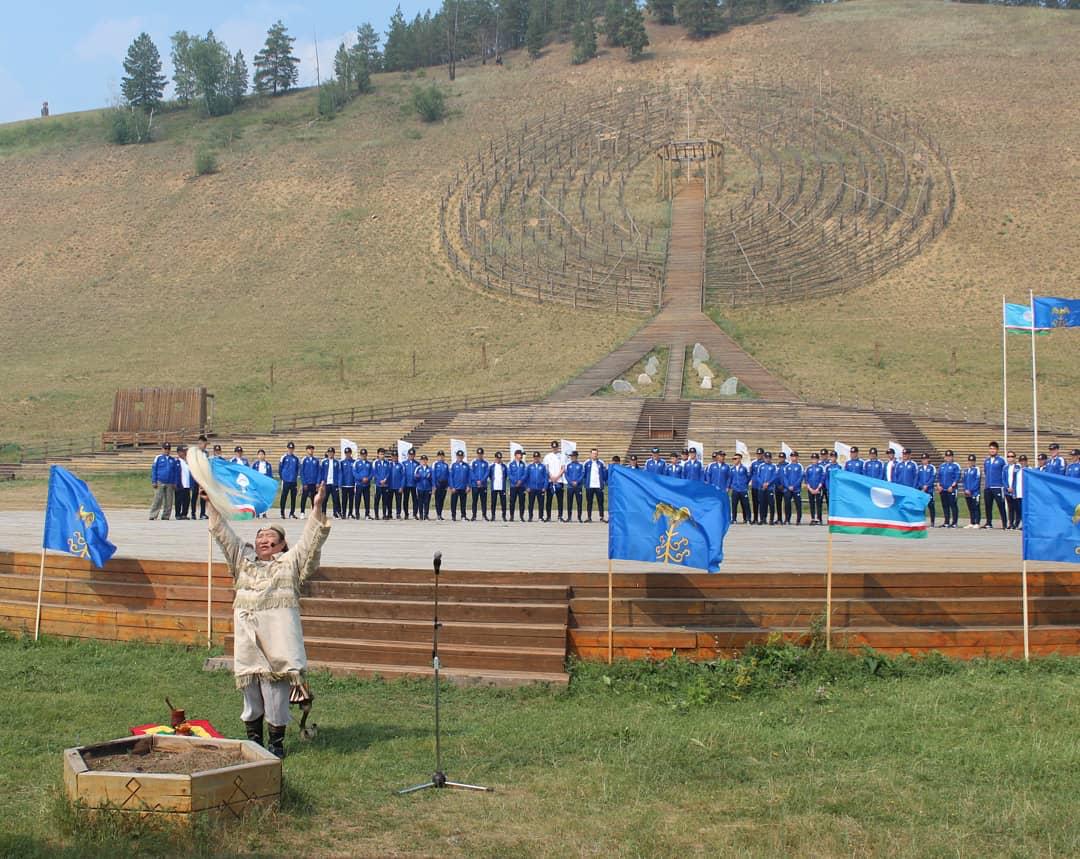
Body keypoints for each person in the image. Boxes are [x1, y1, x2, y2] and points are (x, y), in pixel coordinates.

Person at [207, 481, 330, 759]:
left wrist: (317, 507)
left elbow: (311, 541)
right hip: (248, 641)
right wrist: (211, 503)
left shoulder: (291, 564)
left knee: (275, 696)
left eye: (271, 536)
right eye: (260, 535)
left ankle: (275, 744)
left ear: (283, 544)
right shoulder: (242, 561)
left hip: (278, 642)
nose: (264, 539)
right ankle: (254, 742)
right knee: (250, 694)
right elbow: (223, 534)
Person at [982, 441, 1007, 530]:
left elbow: (1005, 472)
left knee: (1001, 505)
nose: (992, 450)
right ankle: (989, 522)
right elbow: (985, 472)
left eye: (994, 449)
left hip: (997, 486)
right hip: (988, 486)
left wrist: (1003, 484)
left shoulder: (1001, 460)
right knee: (988, 505)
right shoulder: (987, 461)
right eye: (990, 448)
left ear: (997, 450)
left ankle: (1004, 523)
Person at [149, 442, 176, 520]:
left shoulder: (172, 459)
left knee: (169, 500)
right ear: (162, 449)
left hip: (169, 482)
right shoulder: (158, 458)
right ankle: (153, 515)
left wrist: (174, 482)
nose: (167, 450)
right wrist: (154, 481)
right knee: (158, 498)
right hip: (160, 481)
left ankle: (166, 515)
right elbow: (154, 470)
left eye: (168, 449)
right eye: (165, 449)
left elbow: (175, 472)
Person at [544, 441, 567, 522]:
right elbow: (546, 468)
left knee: (560, 500)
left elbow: (563, 468)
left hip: (559, 480)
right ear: (551, 447)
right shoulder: (547, 456)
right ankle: (548, 516)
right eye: (553, 447)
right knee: (549, 500)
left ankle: (560, 516)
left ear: (558, 447)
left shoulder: (562, 456)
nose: (555, 448)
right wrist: (551, 477)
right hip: (550, 480)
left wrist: (557, 477)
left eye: (556, 447)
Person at [937, 450, 960, 528]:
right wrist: (938, 485)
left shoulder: (955, 466)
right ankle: (946, 522)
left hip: (951, 489)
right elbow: (939, 477)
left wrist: (952, 486)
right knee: (945, 505)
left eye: (950, 456)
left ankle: (954, 522)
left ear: (952, 457)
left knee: (953, 505)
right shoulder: (942, 466)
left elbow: (957, 477)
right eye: (947, 456)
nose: (948, 458)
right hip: (943, 489)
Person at [279, 442, 300, 519]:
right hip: (286, 480)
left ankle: (292, 513)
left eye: (292, 448)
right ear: (287, 448)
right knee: (284, 496)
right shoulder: (283, 457)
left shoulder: (296, 458)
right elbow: (280, 469)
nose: (290, 450)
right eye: (289, 448)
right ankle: (282, 512)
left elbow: (297, 469)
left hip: (293, 481)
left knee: (293, 497)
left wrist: (296, 478)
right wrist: (282, 478)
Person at [916, 454, 938, 528]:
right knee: (922, 506)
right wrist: (921, 486)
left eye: (925, 459)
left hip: (929, 490)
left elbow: (932, 477)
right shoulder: (919, 468)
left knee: (931, 506)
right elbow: (917, 478)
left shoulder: (932, 467)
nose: (924, 460)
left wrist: (927, 485)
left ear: (928, 459)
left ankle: (932, 522)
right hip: (921, 490)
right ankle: (922, 521)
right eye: (923, 459)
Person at [319, 447, 341, 518]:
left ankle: (335, 513)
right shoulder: (324, 462)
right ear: (327, 453)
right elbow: (321, 472)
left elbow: (339, 473)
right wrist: (321, 481)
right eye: (329, 452)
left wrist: (339, 483)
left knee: (335, 499)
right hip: (326, 483)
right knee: (324, 499)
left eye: (332, 452)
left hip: (334, 483)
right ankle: (323, 513)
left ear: (334, 453)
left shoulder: (337, 462)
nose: (330, 454)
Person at [729, 453, 751, 524]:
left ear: (740, 459)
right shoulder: (732, 469)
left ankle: (747, 518)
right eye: (733, 459)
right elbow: (730, 478)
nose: (734, 460)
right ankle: (734, 519)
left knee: (745, 505)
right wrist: (731, 486)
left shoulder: (744, 468)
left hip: (743, 489)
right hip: (735, 489)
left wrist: (744, 484)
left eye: (736, 459)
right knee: (734, 505)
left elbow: (748, 477)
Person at [469, 448, 491, 521]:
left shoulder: (486, 463)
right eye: (478, 454)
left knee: (483, 501)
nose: (480, 455)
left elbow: (487, 473)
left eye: (481, 454)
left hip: (483, 485)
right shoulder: (473, 462)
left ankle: (484, 516)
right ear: (477, 454)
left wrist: (481, 481)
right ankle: (474, 516)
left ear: (483, 454)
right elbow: (471, 473)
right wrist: (476, 481)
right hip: (475, 485)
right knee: (474, 501)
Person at [782, 451, 803, 525]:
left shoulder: (800, 466)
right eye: (792, 456)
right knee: (787, 504)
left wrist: (794, 486)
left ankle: (798, 520)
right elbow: (785, 477)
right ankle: (787, 519)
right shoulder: (787, 466)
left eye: (795, 456)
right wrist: (788, 486)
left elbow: (800, 477)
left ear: (797, 457)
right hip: (788, 489)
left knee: (798, 504)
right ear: (790, 457)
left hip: (796, 489)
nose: (794, 458)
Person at [449, 449, 470, 521]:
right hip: (455, 487)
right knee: (453, 502)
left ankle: (463, 516)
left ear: (463, 456)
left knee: (463, 503)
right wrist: (452, 487)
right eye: (459, 456)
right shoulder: (453, 465)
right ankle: (453, 516)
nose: (460, 457)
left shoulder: (466, 466)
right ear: (456, 456)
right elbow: (450, 477)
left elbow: (468, 477)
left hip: (463, 487)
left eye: (461, 456)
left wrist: (468, 486)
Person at [526, 451, 548, 521]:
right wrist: (527, 487)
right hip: (531, 488)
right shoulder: (530, 467)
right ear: (533, 458)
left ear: (539, 458)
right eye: (535, 457)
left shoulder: (543, 467)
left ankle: (540, 517)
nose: (536, 458)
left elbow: (545, 477)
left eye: (537, 457)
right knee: (531, 504)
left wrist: (545, 487)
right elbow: (527, 477)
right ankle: (530, 517)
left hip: (540, 488)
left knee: (541, 504)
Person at [805, 452, 825, 525]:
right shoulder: (808, 467)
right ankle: (813, 518)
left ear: (818, 459)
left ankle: (819, 518)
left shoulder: (821, 467)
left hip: (818, 488)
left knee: (818, 504)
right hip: (810, 488)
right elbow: (806, 478)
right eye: (813, 459)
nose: (814, 460)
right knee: (812, 503)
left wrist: (818, 488)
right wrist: (809, 488)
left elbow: (822, 478)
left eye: (816, 459)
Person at [507, 449, 528, 522]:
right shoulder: (511, 464)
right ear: (516, 455)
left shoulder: (523, 464)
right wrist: (515, 481)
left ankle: (521, 516)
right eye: (520, 454)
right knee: (512, 501)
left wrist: (520, 481)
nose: (521, 456)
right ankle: (511, 516)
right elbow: (509, 474)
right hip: (513, 486)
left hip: (521, 486)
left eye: (522, 455)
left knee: (522, 502)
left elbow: (525, 474)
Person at [299, 445, 320, 516]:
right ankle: (302, 512)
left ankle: (314, 513)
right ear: (306, 450)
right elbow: (302, 472)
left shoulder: (316, 460)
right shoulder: (304, 460)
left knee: (313, 498)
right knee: (304, 497)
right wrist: (304, 483)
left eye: (312, 449)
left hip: (314, 483)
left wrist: (317, 482)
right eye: (309, 449)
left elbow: (318, 472)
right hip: (306, 483)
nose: (311, 451)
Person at [564, 450, 585, 522]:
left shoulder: (580, 465)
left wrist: (577, 482)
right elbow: (566, 475)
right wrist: (570, 482)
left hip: (578, 487)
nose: (572, 458)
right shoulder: (568, 465)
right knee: (569, 502)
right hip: (570, 487)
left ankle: (579, 517)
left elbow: (582, 475)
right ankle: (569, 517)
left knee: (579, 502)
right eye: (571, 456)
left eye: (573, 456)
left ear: (576, 456)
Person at [962, 454, 982, 528]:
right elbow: (964, 481)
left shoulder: (977, 469)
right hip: (967, 493)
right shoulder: (966, 470)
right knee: (970, 507)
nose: (971, 462)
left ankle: (977, 522)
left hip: (975, 493)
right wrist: (966, 489)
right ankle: (972, 521)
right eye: (970, 461)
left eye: (972, 461)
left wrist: (971, 489)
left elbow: (977, 481)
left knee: (976, 507)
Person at [1003, 451, 1021, 530]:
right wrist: (1007, 487)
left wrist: (1013, 487)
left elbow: (1017, 479)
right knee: (1010, 508)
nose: (1010, 458)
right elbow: (1003, 479)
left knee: (1016, 508)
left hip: (1015, 491)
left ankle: (1016, 523)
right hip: (1007, 491)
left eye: (1012, 456)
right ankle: (1010, 523)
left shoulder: (1018, 467)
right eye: (1009, 456)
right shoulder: (1005, 467)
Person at [252, 449, 273, 518]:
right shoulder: (255, 465)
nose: (261, 456)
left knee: (264, 499)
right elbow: (253, 474)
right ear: (257, 456)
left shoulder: (268, 465)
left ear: (264, 455)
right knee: (258, 498)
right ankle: (257, 512)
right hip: (258, 483)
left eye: (262, 454)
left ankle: (264, 512)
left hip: (265, 483)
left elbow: (270, 475)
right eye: (259, 454)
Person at [354, 448, 373, 520]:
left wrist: (368, 478)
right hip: (359, 484)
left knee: (367, 500)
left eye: (365, 455)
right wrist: (361, 478)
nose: (363, 456)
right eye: (362, 455)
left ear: (366, 455)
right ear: (360, 455)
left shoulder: (369, 463)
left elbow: (372, 473)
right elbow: (355, 473)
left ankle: (367, 514)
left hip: (367, 484)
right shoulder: (357, 463)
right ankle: (357, 514)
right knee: (357, 499)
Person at [372, 448, 391, 519]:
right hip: (378, 484)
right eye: (380, 454)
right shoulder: (375, 463)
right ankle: (376, 515)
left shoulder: (387, 463)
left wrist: (385, 479)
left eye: (383, 454)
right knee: (377, 500)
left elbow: (388, 472)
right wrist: (380, 480)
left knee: (385, 500)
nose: (382, 455)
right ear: (378, 454)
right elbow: (374, 473)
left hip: (385, 484)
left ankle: (384, 515)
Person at [174, 445, 193, 520]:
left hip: (187, 484)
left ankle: (184, 514)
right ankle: (178, 514)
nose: (185, 452)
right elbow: (174, 472)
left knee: (187, 500)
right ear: (179, 452)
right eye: (183, 451)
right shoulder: (176, 461)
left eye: (186, 451)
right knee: (178, 500)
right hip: (180, 483)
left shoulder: (188, 461)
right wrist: (175, 482)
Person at [489, 451, 508, 521]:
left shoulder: (504, 466)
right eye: (497, 458)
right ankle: (493, 516)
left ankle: (504, 516)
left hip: (502, 487)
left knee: (503, 502)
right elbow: (490, 476)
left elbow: (506, 475)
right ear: (495, 458)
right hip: (494, 487)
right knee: (493, 502)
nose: (499, 459)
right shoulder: (492, 467)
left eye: (500, 458)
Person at [401, 448, 419, 520]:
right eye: (410, 454)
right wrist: (402, 485)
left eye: (412, 454)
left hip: (414, 485)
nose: (411, 456)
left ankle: (415, 514)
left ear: (414, 455)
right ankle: (406, 514)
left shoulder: (417, 464)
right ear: (408, 455)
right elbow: (402, 475)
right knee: (405, 500)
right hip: (406, 484)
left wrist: (417, 476)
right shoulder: (404, 463)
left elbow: (419, 473)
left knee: (415, 500)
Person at [431, 451, 450, 520]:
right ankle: (438, 514)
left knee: (442, 500)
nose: (441, 457)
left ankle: (440, 514)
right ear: (437, 457)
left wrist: (448, 485)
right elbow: (433, 475)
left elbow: (448, 475)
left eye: (442, 456)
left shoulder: (446, 464)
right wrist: (434, 485)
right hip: (437, 484)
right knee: (437, 500)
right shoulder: (435, 464)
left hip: (444, 484)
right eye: (439, 456)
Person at [1012, 455, 1029, 527]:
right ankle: (1019, 522)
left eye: (1024, 461)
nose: (1023, 462)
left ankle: (1025, 523)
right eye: (1021, 461)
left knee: (1025, 509)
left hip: (1025, 493)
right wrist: (1014, 492)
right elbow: (1015, 481)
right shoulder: (1018, 471)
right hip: (1018, 493)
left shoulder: (1029, 470)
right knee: (1019, 510)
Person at [414, 455, 433, 520]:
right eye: (422, 460)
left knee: (427, 502)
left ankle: (426, 515)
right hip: (420, 488)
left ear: (427, 461)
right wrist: (417, 477)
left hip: (427, 488)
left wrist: (430, 477)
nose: (424, 461)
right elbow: (415, 477)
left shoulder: (430, 469)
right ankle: (421, 515)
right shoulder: (418, 468)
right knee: (420, 502)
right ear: (420, 461)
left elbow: (432, 479)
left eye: (425, 460)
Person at [340, 448, 356, 520]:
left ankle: (350, 513)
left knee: (351, 500)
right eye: (346, 453)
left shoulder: (354, 462)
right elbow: (340, 473)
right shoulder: (342, 462)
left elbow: (355, 473)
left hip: (352, 484)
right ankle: (343, 513)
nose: (348, 454)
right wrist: (340, 483)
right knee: (344, 500)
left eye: (349, 453)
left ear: (351, 453)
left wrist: (355, 484)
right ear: (345, 454)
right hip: (344, 484)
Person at [389, 450, 405, 519]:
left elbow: (403, 476)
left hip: (398, 486)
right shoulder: (388, 464)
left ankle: (398, 514)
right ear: (391, 457)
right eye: (393, 456)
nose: (394, 457)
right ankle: (389, 513)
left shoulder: (401, 465)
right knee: (389, 501)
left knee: (398, 501)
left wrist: (401, 486)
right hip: (390, 486)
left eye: (396, 456)